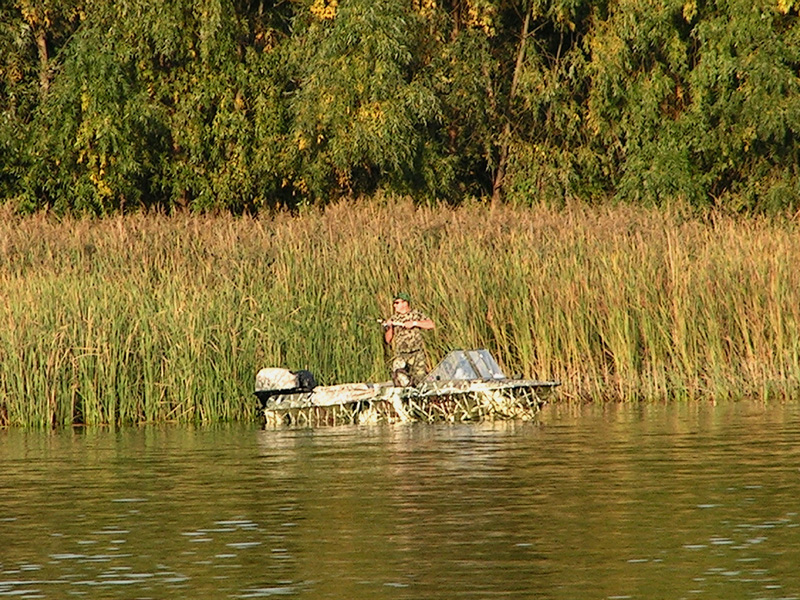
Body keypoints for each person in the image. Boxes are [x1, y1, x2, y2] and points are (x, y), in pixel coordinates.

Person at [383, 292, 435, 386]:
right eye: (395, 303)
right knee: (399, 378)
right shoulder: (394, 318)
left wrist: (414, 323)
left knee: (420, 380)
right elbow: (388, 339)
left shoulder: (416, 314)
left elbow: (430, 324)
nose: (395, 306)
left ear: (405, 303)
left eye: (397, 303)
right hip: (401, 354)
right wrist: (389, 327)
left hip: (417, 353)